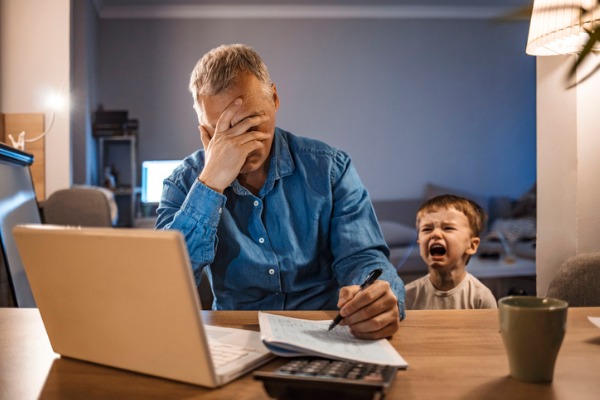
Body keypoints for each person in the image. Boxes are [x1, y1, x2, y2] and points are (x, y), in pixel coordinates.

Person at [156, 44, 405, 339]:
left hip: (326, 330)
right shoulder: (184, 182)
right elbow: (164, 284)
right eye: (225, 133)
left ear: (274, 98)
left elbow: (363, 258)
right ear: (205, 130)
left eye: (252, 123)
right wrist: (210, 184)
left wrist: (374, 296)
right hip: (235, 334)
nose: (244, 143)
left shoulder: (330, 169)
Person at [404, 194, 497, 310]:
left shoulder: (481, 298)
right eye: (427, 229)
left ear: (472, 245)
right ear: (420, 246)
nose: (435, 234)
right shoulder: (407, 296)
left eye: (448, 228)